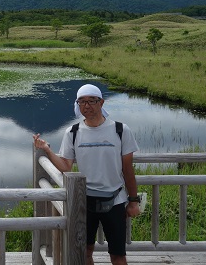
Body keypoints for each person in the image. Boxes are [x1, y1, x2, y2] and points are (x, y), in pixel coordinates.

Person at [33, 84, 140, 265]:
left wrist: (133, 200)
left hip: (115, 200)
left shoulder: (120, 130)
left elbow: (128, 170)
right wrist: (47, 150)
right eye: (82, 102)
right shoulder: (73, 133)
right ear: (77, 105)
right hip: (84, 202)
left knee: (118, 255)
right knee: (84, 252)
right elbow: (66, 166)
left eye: (92, 100)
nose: (87, 105)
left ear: (101, 102)